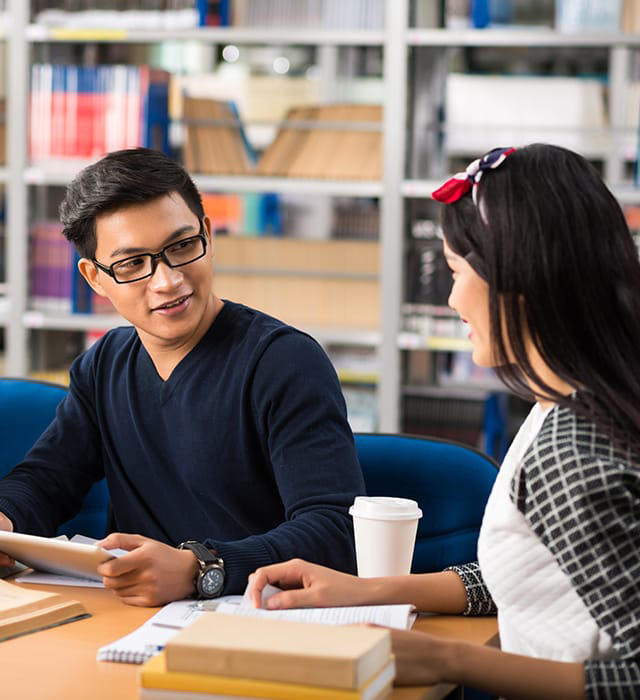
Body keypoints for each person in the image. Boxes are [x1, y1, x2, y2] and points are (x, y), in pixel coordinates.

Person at [248, 144, 640, 699]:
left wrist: (445, 659)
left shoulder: (570, 451)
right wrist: (363, 590)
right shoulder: (575, 402)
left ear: (516, 282)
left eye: (456, 271)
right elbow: (535, 583)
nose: (453, 299)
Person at [0, 147, 366, 607]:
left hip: (258, 620)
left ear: (208, 234)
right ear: (95, 278)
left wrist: (203, 568)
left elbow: (335, 528)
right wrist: (6, 520)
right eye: (133, 264)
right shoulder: (105, 364)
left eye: (181, 246)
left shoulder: (283, 361)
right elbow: (45, 481)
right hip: (136, 623)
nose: (168, 280)